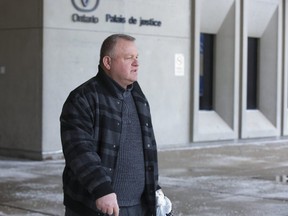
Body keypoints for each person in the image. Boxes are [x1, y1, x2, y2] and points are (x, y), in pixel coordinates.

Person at [60, 34, 160, 216]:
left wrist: (154, 187)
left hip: (138, 207)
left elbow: (146, 148)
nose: (136, 63)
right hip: (97, 206)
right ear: (108, 62)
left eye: (137, 57)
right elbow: (78, 149)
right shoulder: (83, 98)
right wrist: (101, 189)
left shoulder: (138, 96)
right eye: (129, 58)